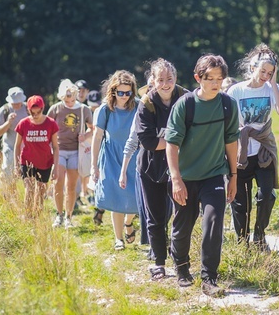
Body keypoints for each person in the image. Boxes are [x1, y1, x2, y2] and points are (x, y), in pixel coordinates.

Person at [165, 54, 240, 297]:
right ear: (198, 78)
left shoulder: (228, 105)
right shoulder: (184, 106)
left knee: (213, 222)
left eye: (220, 78)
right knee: (183, 225)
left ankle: (209, 277)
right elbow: (171, 145)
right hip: (185, 176)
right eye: (210, 79)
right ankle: (182, 268)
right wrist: (176, 179)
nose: (216, 83)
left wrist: (233, 176)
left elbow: (231, 142)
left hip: (214, 175)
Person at [130, 58, 187, 280]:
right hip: (151, 168)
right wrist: (176, 141)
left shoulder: (185, 98)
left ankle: (180, 259)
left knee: (181, 213)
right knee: (156, 217)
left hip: (180, 167)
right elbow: (148, 142)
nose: (165, 84)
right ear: (152, 81)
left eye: (169, 79)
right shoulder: (146, 103)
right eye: (160, 79)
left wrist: (174, 143)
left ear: (175, 79)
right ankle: (158, 262)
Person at [227, 44, 279, 249]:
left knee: (266, 194)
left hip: (263, 150)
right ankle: (242, 241)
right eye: (263, 71)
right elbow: (228, 123)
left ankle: (260, 236)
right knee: (241, 203)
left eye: (270, 73)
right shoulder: (236, 91)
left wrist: (274, 83)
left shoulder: (272, 88)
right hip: (241, 151)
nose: (265, 76)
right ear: (252, 68)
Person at [91, 70, 140, 251]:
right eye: (121, 93)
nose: (125, 97)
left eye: (128, 93)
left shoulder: (138, 106)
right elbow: (97, 137)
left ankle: (129, 222)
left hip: (133, 154)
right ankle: (118, 238)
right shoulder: (105, 109)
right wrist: (94, 165)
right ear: (113, 91)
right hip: (111, 155)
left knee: (135, 196)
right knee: (115, 196)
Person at [47, 79, 93, 229]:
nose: (70, 103)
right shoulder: (55, 109)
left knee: (71, 186)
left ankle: (69, 217)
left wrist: (85, 136)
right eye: (67, 101)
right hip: (59, 150)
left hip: (75, 151)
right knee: (58, 183)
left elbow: (93, 129)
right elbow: (46, 127)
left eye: (73, 100)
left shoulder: (84, 109)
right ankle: (59, 215)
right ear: (62, 98)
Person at [13, 95, 59, 216]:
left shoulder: (51, 123)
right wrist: (16, 165)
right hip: (27, 161)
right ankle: (27, 217)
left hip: (45, 162)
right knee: (29, 189)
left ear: (42, 109)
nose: (36, 115)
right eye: (33, 113)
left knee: (40, 192)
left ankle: (37, 218)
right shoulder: (23, 124)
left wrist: (56, 167)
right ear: (28, 110)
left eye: (38, 112)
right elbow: (17, 146)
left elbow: (55, 147)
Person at [0, 87, 29, 184]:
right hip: (10, 147)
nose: (17, 104)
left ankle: (28, 197)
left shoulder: (28, 109)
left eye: (19, 102)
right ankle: (10, 196)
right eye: (14, 103)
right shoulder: (4, 110)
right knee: (8, 173)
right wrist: (8, 122)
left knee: (28, 176)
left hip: (26, 148)